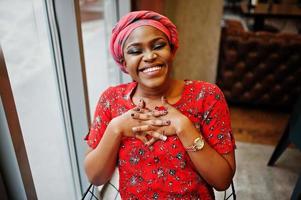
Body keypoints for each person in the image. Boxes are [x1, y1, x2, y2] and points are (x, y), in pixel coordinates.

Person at [84, 10, 236, 200]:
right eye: (135, 51)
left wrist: (184, 127)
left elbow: (222, 181)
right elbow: (96, 177)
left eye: (158, 46)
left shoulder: (206, 96)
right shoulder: (111, 100)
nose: (149, 56)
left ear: (172, 51)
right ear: (123, 61)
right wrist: (116, 128)